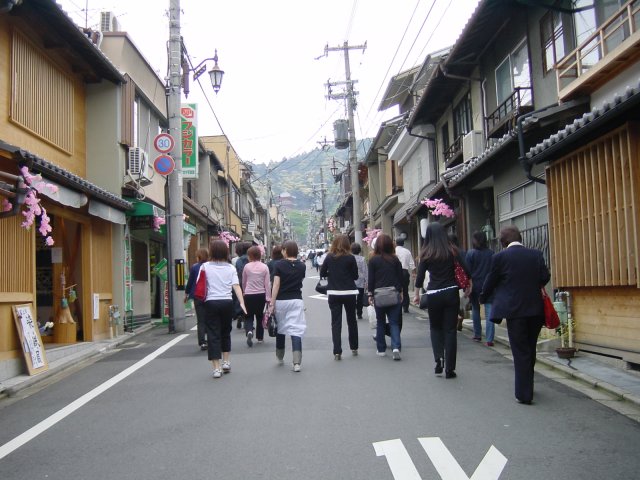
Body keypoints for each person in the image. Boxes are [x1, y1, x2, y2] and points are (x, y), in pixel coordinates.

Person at [480, 225, 550, 405]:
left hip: (515, 311)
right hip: (535, 309)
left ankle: (524, 393)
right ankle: (529, 384)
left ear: (504, 242)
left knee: (520, 351)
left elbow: (491, 280)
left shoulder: (500, 257)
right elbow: (544, 277)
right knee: (530, 348)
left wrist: (483, 297)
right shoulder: (535, 254)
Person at [413, 222, 471, 378]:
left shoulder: (426, 252)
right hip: (451, 292)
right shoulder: (453, 251)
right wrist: (469, 285)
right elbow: (467, 268)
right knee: (450, 330)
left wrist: (417, 294)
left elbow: (419, 277)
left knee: (435, 328)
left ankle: (438, 359)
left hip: (434, 294)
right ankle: (450, 369)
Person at [199, 239, 246, 379]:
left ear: (211, 251)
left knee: (213, 334)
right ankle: (226, 361)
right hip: (227, 302)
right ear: (226, 252)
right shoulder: (230, 268)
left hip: (211, 303)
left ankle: (216, 368)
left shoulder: (205, 267)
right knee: (226, 332)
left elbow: (200, 286)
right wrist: (242, 303)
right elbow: (236, 286)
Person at [269, 240, 307, 372]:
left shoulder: (279, 265)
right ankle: (297, 362)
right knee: (296, 329)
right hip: (296, 300)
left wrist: (271, 303)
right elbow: (300, 281)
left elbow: (276, 285)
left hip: (281, 300)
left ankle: (280, 356)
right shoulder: (302, 266)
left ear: (285, 250)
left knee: (281, 327)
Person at [320, 234, 359, 360]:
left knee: (336, 322)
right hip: (349, 293)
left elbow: (322, 273)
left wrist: (331, 274)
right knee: (351, 320)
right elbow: (355, 276)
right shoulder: (351, 258)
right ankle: (354, 347)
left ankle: (337, 351)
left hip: (334, 293)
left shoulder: (329, 257)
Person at [367, 233, 404, 360]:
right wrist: (401, 292)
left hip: (379, 295)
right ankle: (395, 347)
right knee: (394, 322)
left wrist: (370, 294)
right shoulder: (395, 259)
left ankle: (381, 349)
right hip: (393, 294)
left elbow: (371, 279)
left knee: (381, 322)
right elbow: (401, 278)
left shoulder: (373, 260)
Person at [466, 231, 494, 345]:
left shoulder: (471, 253)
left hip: (475, 285)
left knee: (475, 309)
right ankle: (489, 339)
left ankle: (477, 335)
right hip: (488, 285)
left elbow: (467, 271)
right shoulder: (491, 253)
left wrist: (467, 286)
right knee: (489, 312)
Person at [242, 246, 271, 347]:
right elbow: (267, 284)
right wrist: (268, 297)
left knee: (248, 316)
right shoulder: (264, 267)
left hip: (249, 294)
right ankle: (260, 337)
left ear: (250, 256)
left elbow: (244, 281)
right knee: (260, 317)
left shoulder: (246, 267)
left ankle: (249, 331)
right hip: (261, 294)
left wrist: (244, 292)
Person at [184, 248, 209, 350]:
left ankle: (202, 342)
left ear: (199, 256)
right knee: (210, 319)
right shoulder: (210, 266)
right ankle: (212, 340)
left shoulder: (194, 267)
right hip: (209, 295)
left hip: (198, 296)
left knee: (201, 320)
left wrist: (186, 294)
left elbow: (190, 283)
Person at [449, 233, 467, 331]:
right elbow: (466, 267)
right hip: (462, 282)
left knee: (453, 304)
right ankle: (461, 318)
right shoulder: (463, 252)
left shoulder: (449, 252)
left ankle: (456, 318)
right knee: (462, 305)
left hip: (452, 282)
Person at [395, 237, 415, 314]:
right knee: (405, 290)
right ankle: (406, 307)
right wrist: (413, 273)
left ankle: (398, 306)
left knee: (397, 289)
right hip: (404, 272)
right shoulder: (407, 251)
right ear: (403, 243)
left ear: (396, 243)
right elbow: (412, 264)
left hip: (396, 272)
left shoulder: (393, 251)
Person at [233, 242, 251, 329]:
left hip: (239, 281)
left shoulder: (239, 260)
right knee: (248, 301)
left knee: (240, 299)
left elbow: (237, 271)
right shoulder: (250, 258)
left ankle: (240, 314)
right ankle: (246, 320)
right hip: (249, 282)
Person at [351, 242, 368, 320]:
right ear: (359, 250)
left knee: (352, 298)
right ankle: (359, 313)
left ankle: (352, 312)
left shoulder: (349, 258)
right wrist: (367, 281)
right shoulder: (362, 259)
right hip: (360, 280)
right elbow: (365, 271)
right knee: (360, 297)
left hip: (351, 281)